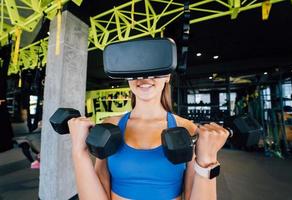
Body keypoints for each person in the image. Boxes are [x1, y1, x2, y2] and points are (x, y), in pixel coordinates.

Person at [68, 75, 230, 200]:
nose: (144, 78)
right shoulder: (111, 124)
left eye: (154, 72)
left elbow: (190, 195)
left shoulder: (187, 128)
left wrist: (208, 160)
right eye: (136, 72)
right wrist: (78, 151)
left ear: (167, 76)